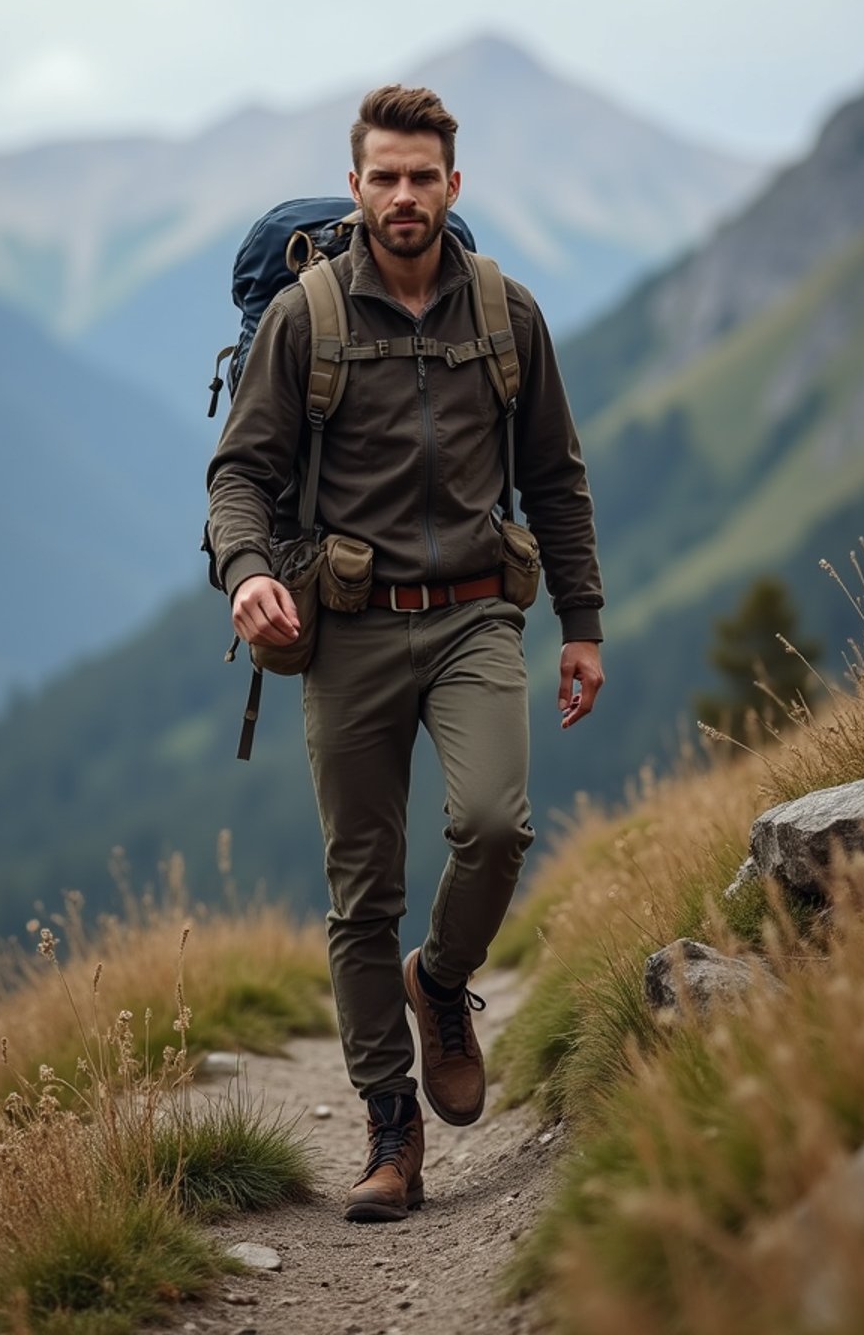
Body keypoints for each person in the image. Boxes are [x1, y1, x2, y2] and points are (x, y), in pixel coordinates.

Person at [207, 85, 605, 1222]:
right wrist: (251, 575)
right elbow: (240, 475)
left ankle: (440, 982)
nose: (401, 196)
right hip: (350, 629)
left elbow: (557, 479)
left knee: (492, 825)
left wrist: (580, 625)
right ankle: (392, 1136)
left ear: (452, 187)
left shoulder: (506, 313)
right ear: (356, 187)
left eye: (421, 177)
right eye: (382, 176)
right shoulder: (308, 318)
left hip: (480, 612)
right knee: (359, 892)